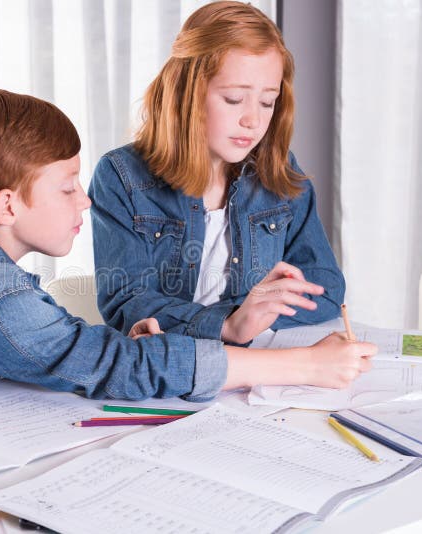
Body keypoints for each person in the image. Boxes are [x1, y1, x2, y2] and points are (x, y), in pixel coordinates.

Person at [0, 89, 374, 416]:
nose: (84, 199)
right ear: (8, 206)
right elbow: (113, 365)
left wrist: (111, 346)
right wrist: (306, 364)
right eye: (65, 187)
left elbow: (37, 343)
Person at [89, 1, 344, 346]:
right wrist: (228, 324)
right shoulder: (121, 176)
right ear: (186, 95)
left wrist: (248, 318)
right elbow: (127, 302)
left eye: (267, 102)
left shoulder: (279, 172)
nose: (253, 120)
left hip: (257, 365)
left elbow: (325, 288)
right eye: (235, 98)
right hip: (170, 370)